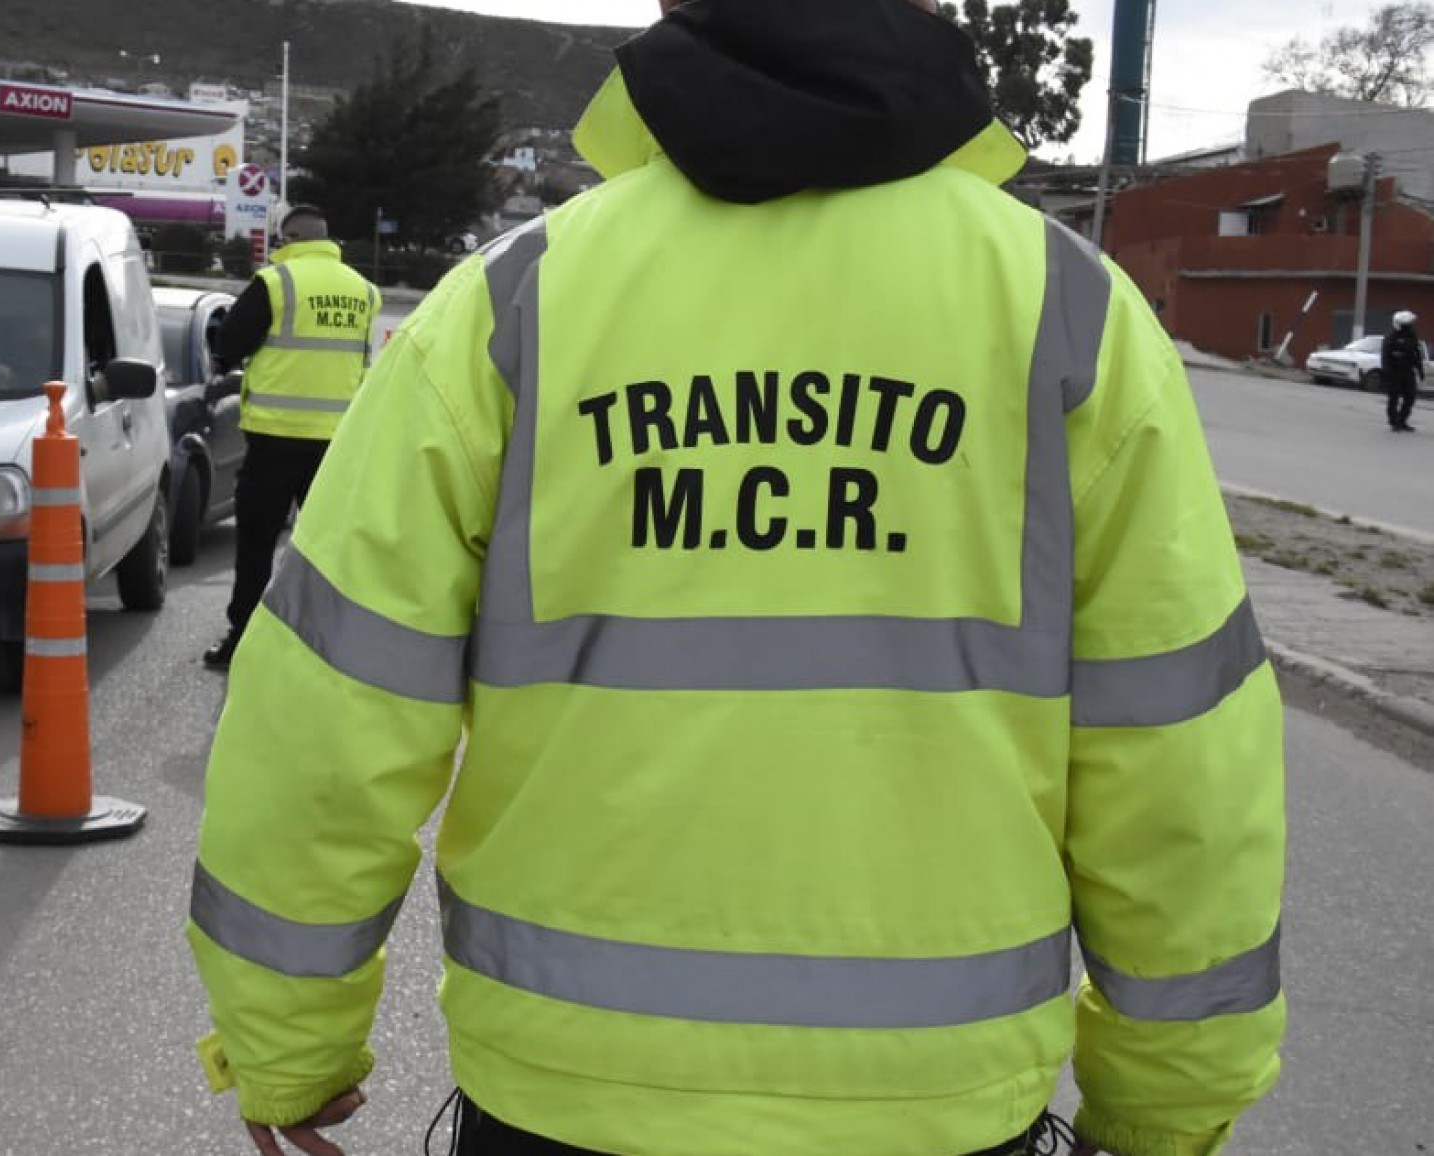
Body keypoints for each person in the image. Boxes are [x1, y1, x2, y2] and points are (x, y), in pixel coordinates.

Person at [186, 1, 1287, 1155]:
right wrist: (1168, 1096)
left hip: (570, 1094)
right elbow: (1181, 758)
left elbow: (329, 711)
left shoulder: (514, 306)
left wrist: (287, 1044)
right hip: (933, 1104)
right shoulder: (1073, 320)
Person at [202, 205, 382, 668]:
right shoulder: (364, 291)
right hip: (337, 444)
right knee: (328, 551)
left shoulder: (277, 283)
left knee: (257, 544)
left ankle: (242, 639)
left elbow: (229, 344)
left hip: (274, 439)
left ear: (292, 238)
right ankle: (331, 646)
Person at [1381, 310, 1425, 432]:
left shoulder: (1412, 337)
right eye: (1408, 324)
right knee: (1393, 398)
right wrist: (1387, 372)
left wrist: (1420, 371)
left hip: (1408, 372)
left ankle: (1402, 420)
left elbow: (1416, 355)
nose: (1411, 325)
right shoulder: (1391, 338)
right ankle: (1394, 422)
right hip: (1394, 372)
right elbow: (1385, 356)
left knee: (1410, 397)